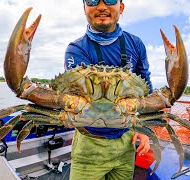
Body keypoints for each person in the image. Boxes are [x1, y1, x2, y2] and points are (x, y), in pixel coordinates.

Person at [64, 0, 153, 179]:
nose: (102, 6)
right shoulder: (76, 49)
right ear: (84, 8)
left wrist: (145, 128)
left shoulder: (136, 44)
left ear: (121, 7)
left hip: (126, 142)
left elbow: (147, 91)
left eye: (111, 0)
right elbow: (79, 99)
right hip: (89, 144)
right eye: (92, 0)